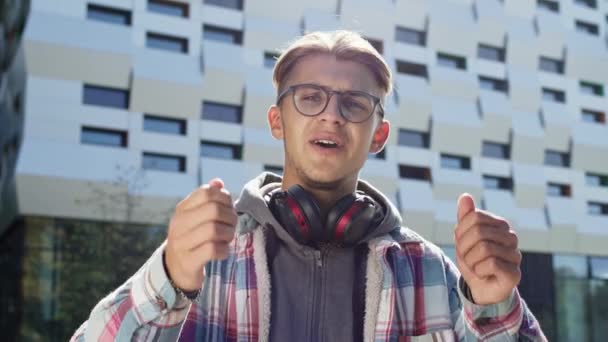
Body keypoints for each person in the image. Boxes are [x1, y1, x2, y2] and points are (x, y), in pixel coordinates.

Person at [71, 30, 546, 341]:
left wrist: (495, 306)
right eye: (310, 98)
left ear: (378, 134)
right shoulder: (203, 259)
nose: (331, 115)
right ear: (277, 121)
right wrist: (169, 279)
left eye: (355, 103)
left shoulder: (430, 271)